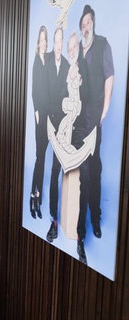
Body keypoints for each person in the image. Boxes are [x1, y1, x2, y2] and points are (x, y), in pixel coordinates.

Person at [76, 4, 114, 263]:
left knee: (95, 171)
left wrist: (104, 111)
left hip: (95, 122)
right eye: (82, 23)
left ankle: (95, 218)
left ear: (94, 24)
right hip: (79, 123)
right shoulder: (77, 50)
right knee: (84, 175)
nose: (85, 26)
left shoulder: (102, 44)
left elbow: (109, 77)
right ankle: (80, 233)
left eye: (88, 21)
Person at [46, 27, 69, 243]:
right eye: (57, 40)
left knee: (67, 174)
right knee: (54, 173)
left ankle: (69, 221)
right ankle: (54, 220)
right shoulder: (47, 66)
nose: (59, 44)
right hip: (52, 127)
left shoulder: (69, 68)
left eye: (61, 40)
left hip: (67, 130)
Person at [28, 25, 49, 219]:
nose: (43, 43)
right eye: (40, 40)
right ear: (37, 42)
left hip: (49, 116)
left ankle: (37, 198)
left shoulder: (48, 59)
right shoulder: (36, 61)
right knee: (39, 157)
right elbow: (35, 90)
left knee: (42, 158)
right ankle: (33, 197)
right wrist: (36, 113)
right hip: (39, 116)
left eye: (45, 40)